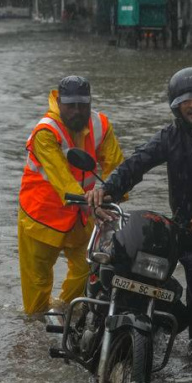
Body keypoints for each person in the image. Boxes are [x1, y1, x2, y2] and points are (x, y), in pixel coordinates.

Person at [86, 67, 192, 354]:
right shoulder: (169, 136)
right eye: (184, 99)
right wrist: (106, 190)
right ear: (175, 106)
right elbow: (137, 163)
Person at [17, 76, 125, 315]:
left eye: (83, 105)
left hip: (81, 215)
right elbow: (61, 178)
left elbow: (115, 166)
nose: (77, 111)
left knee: (88, 268)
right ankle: (35, 325)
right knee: (37, 284)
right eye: (71, 106)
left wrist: (114, 196)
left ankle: (64, 313)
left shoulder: (101, 125)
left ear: (90, 102)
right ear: (60, 102)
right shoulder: (45, 132)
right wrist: (93, 205)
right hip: (41, 216)